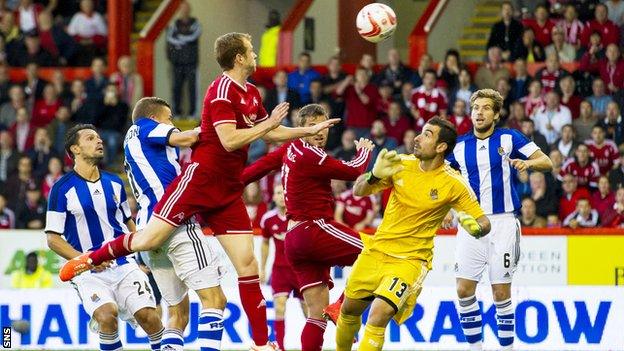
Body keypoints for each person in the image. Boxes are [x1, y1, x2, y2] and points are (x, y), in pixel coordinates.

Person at [60, 32, 339, 351]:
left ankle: (262, 344)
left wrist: (306, 131)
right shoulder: (220, 90)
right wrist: (268, 125)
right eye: (250, 51)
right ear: (239, 58)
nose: (255, 55)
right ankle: (89, 259)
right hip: (201, 180)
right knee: (154, 243)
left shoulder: (251, 93)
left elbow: (272, 133)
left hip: (229, 189)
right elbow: (230, 140)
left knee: (248, 267)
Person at [335, 117, 491, 351]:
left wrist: (476, 228)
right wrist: (373, 175)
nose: (417, 138)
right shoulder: (401, 164)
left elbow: (483, 221)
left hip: (411, 260)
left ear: (441, 147)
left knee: (378, 313)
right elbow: (358, 191)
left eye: (427, 134)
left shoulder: (454, 183)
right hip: (376, 252)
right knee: (348, 310)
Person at [240, 103, 374, 351]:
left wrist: (230, 183)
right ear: (299, 129)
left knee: (315, 315)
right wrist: (365, 152)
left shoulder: (289, 148)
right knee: (376, 252)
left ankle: (332, 313)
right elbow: (354, 170)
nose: (320, 131)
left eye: (323, 125)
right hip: (314, 229)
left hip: (294, 240)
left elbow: (257, 169)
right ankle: (341, 306)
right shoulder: (312, 155)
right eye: (312, 126)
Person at [446, 89, 552, 351]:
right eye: (475, 108)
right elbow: (441, 178)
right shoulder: (459, 146)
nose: (479, 113)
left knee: (501, 294)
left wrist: (528, 165)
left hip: (503, 223)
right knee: (463, 290)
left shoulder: (509, 137)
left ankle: (507, 349)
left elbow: (546, 161)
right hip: (471, 223)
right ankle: (476, 348)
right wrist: (447, 208)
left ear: (496, 114)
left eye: (485, 108)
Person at [46, 124, 164, 351]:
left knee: (149, 316)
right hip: (88, 270)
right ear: (75, 149)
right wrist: (88, 259)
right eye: (91, 139)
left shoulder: (115, 182)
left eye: (99, 138)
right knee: (106, 316)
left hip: (123, 264)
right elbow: (53, 238)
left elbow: (128, 223)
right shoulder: (61, 189)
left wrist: (142, 255)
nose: (99, 142)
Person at [123, 97, 227, 351]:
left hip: (148, 228)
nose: (172, 124)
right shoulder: (146, 127)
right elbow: (185, 138)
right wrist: (221, 128)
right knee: (215, 299)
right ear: (156, 117)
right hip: (173, 222)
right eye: (169, 119)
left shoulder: (132, 140)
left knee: (177, 313)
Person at [259, 184, 307, 351]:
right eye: (278, 193)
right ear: (273, 197)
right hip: (280, 270)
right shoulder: (267, 219)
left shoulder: (300, 217)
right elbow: (264, 244)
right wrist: (262, 268)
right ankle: (280, 347)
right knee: (279, 306)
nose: (281, 196)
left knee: (308, 309)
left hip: (300, 270)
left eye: (285, 193)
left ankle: (313, 345)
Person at [166, 0, 201, 117]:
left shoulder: (195, 23)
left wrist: (180, 40)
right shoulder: (174, 24)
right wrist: (184, 40)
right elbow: (170, 38)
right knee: (176, 88)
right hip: (177, 62)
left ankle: (192, 113)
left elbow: (194, 36)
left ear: (189, 9)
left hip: (191, 61)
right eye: (181, 8)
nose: (184, 10)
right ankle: (177, 113)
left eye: (186, 8)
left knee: (192, 89)